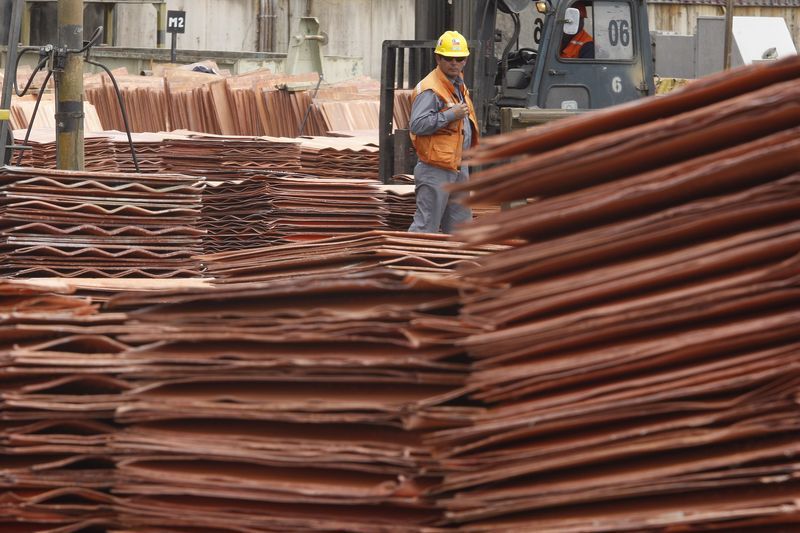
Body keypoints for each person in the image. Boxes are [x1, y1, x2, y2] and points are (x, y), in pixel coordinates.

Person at [407, 30, 479, 234]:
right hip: (435, 168)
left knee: (460, 227)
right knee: (426, 226)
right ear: (438, 57)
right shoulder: (430, 89)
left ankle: (455, 265)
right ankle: (409, 264)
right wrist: (450, 115)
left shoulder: (458, 84)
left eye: (459, 58)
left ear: (466, 60)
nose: (454, 62)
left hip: (457, 166)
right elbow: (417, 125)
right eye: (448, 58)